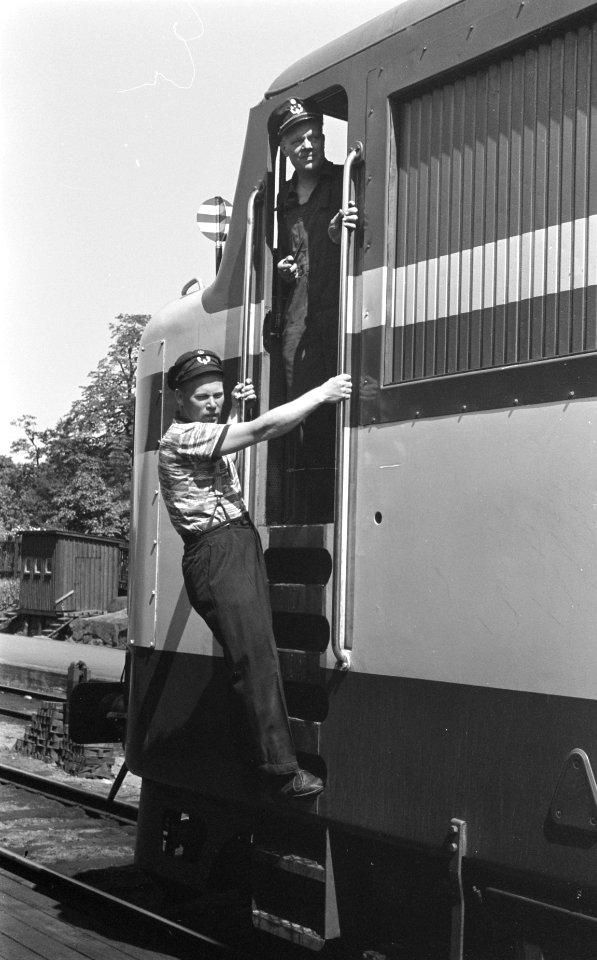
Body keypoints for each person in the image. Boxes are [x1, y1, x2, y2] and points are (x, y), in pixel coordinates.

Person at [158, 348, 352, 799]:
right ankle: (279, 771)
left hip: (236, 543)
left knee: (257, 653)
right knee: (255, 660)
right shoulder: (182, 438)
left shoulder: (203, 433)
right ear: (180, 401)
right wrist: (321, 394)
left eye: (218, 396)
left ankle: (265, 762)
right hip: (218, 550)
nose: (212, 404)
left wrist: (236, 411)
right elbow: (263, 430)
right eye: (202, 397)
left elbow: (226, 473)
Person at [269, 97, 357, 520]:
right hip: (297, 321)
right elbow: (276, 260)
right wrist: (281, 268)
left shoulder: (346, 181)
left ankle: (328, 509)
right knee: (298, 412)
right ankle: (302, 509)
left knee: (333, 409)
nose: (306, 145)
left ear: (322, 138)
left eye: (312, 136)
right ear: (284, 150)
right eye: (296, 141)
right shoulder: (278, 202)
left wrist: (344, 237)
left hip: (336, 314)